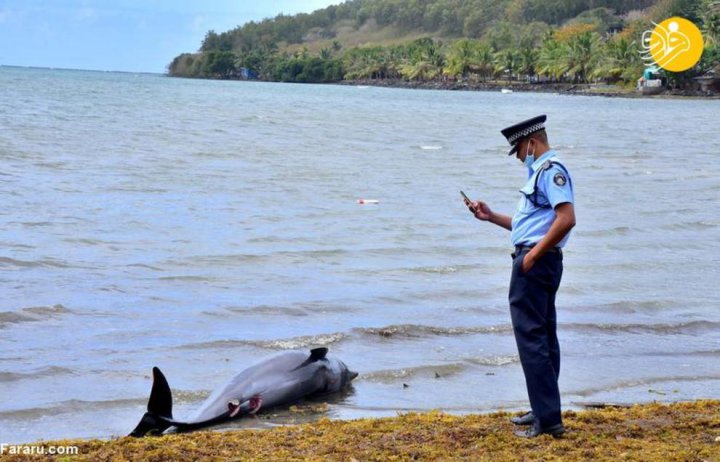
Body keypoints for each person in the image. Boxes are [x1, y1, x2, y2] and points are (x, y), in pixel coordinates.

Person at [464, 114, 576, 438]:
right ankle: (543, 408)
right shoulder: (539, 172)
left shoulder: (550, 171)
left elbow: (566, 219)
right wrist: (490, 217)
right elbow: (530, 227)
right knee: (543, 336)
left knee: (532, 340)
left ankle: (549, 421)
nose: (517, 158)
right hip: (536, 258)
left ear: (531, 143)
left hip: (535, 263)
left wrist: (533, 256)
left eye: (518, 151)